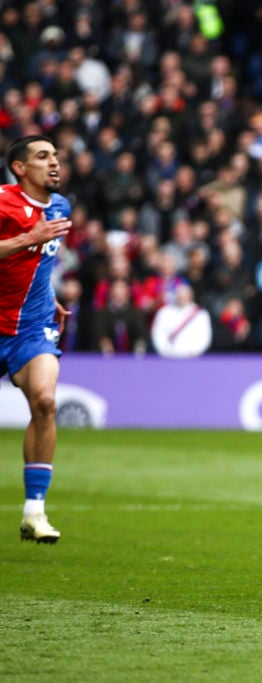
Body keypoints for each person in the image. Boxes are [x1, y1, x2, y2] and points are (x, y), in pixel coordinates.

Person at [0, 135, 73, 544]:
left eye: (55, 155)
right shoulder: (2, 202)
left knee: (45, 401)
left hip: (32, 326)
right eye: (43, 156)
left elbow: (38, 264)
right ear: (19, 168)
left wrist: (51, 298)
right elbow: (26, 247)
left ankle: (34, 512)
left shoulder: (61, 207)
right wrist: (26, 237)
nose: (54, 162)